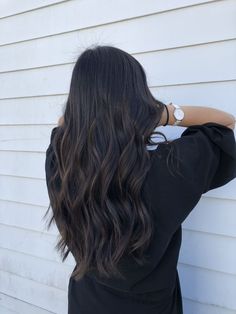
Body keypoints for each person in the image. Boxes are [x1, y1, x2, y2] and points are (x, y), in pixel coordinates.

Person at [44, 45, 236, 314]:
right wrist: (163, 114)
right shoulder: (170, 168)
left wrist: (87, 117)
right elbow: (226, 124)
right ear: (139, 98)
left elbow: (62, 123)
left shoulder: (60, 162)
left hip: (85, 303)